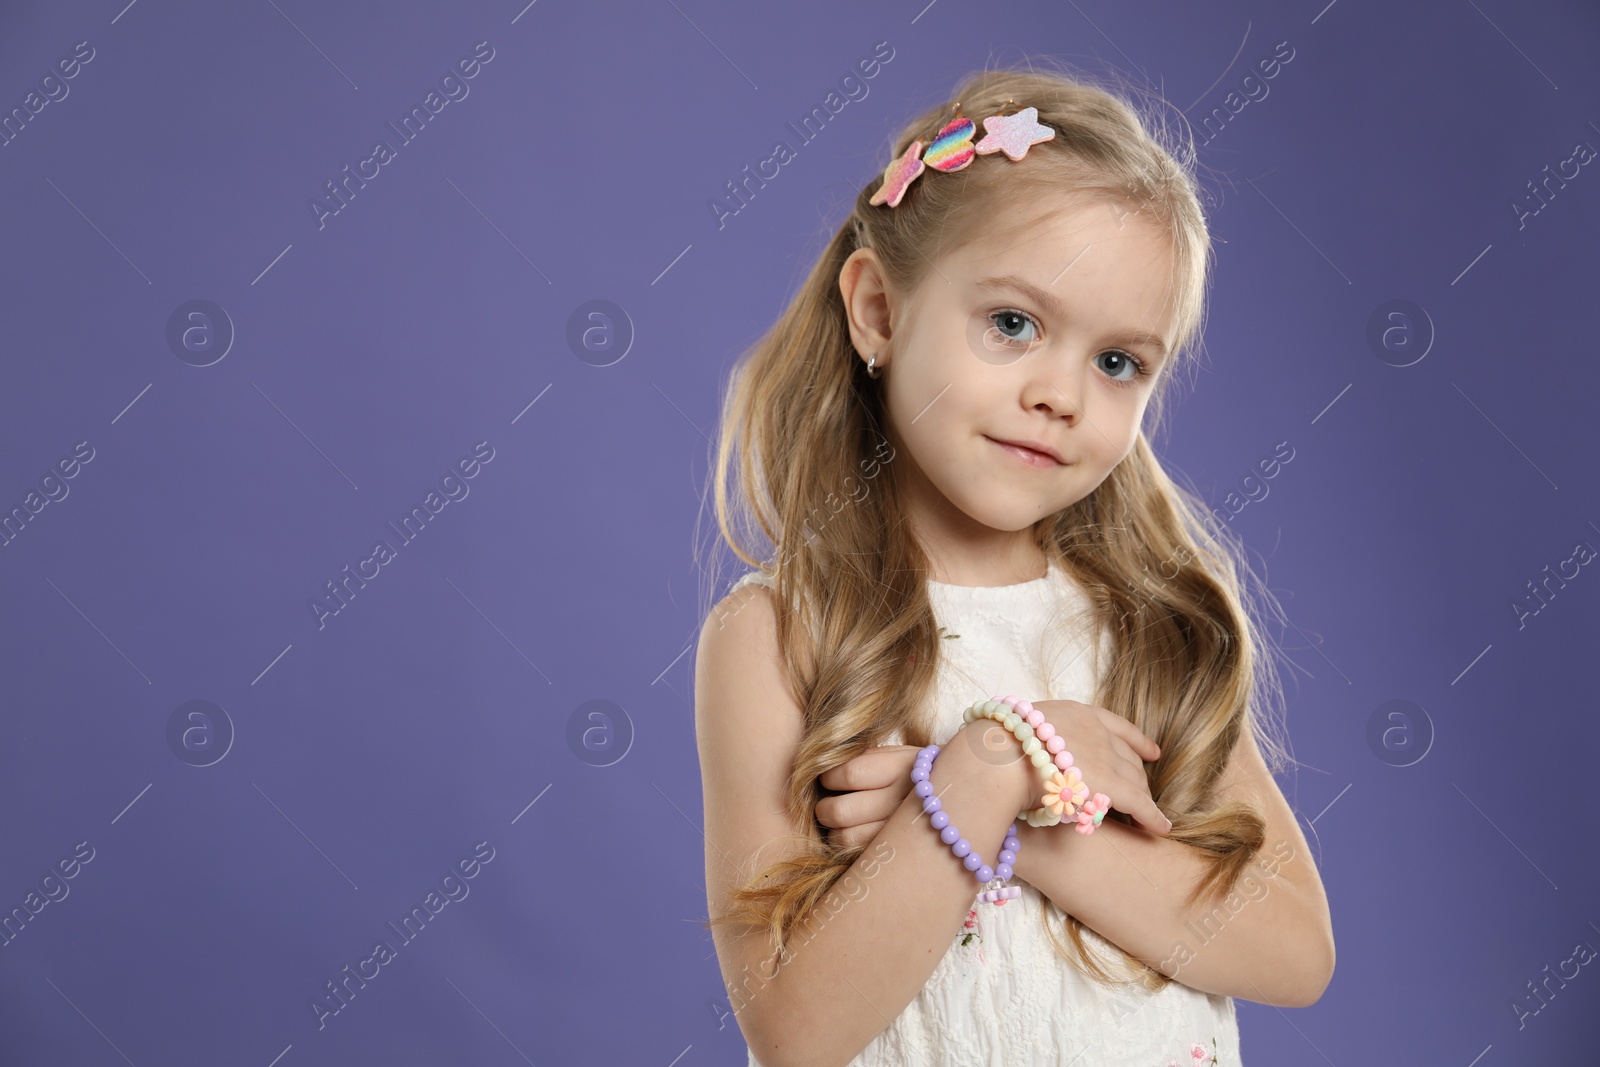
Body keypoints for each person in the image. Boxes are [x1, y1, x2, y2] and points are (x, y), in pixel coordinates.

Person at [693, 62, 1335, 1067]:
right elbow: (796, 1030)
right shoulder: (780, 633)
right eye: (1013, 324)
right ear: (877, 310)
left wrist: (1001, 812)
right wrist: (996, 761)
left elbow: (1293, 951)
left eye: (1117, 361)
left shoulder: (1141, 631)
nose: (1061, 395)